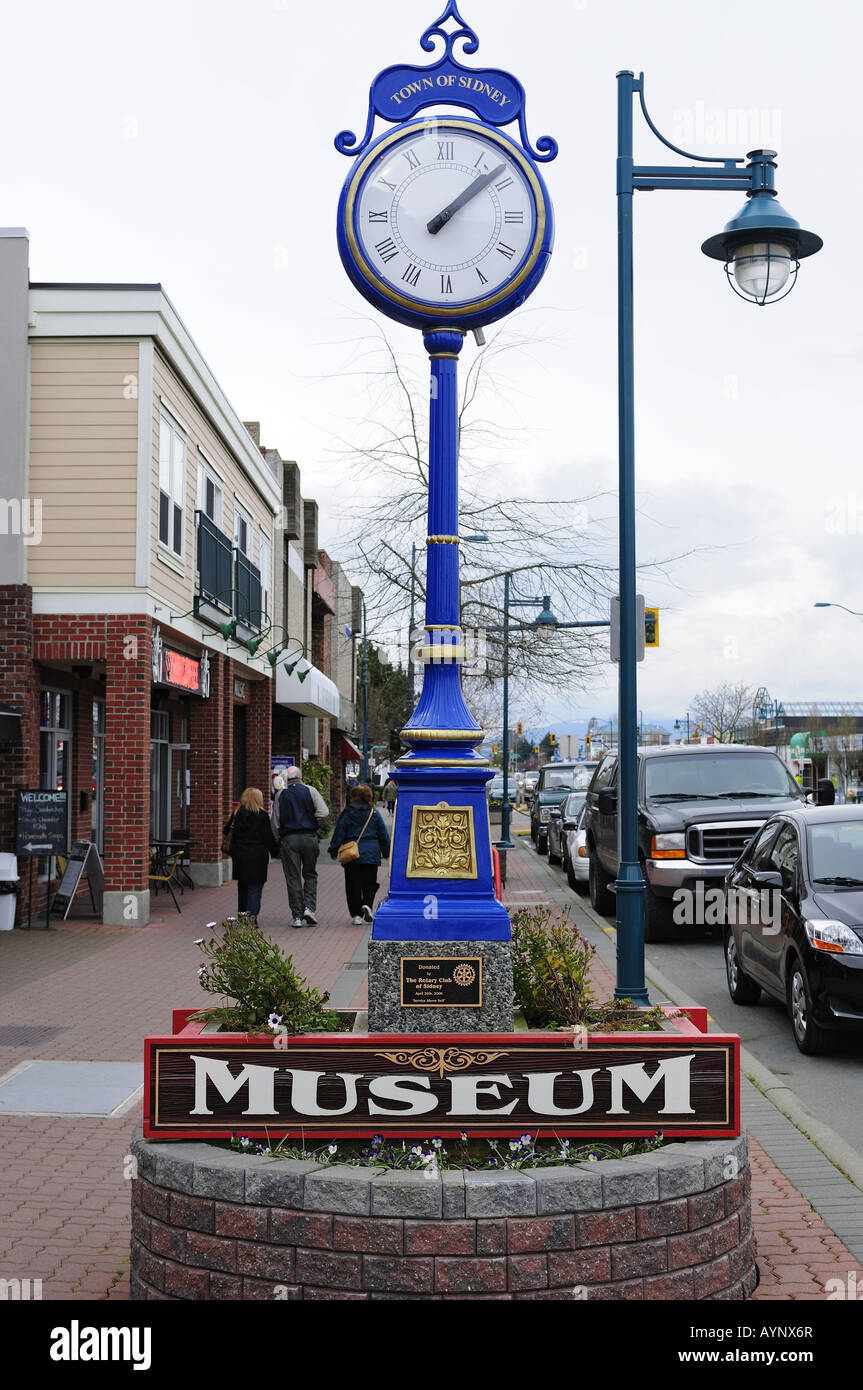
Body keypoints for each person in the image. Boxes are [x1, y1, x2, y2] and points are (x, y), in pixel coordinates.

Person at [270, 765, 329, 927]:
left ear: (287, 779)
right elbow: (323, 813)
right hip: (309, 836)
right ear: (300, 776)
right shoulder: (311, 790)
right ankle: (309, 908)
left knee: (293, 877)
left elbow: (275, 822)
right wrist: (315, 824)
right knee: (310, 874)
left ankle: (296, 916)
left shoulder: (281, 794)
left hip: (289, 839)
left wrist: (278, 839)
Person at [328, 783, 390, 925]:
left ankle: (356, 915)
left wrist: (333, 849)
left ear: (354, 797)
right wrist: (386, 852)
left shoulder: (348, 812)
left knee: (352, 884)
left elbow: (339, 831)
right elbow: (383, 834)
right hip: (371, 852)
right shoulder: (373, 813)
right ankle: (367, 904)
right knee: (370, 882)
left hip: (351, 854)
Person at [223, 787, 278, 926]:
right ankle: (252, 918)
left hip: (240, 856)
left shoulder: (237, 814)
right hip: (257, 857)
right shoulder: (262, 816)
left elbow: (226, 831)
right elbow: (268, 838)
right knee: (255, 887)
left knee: (242, 887)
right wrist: (276, 851)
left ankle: (242, 916)